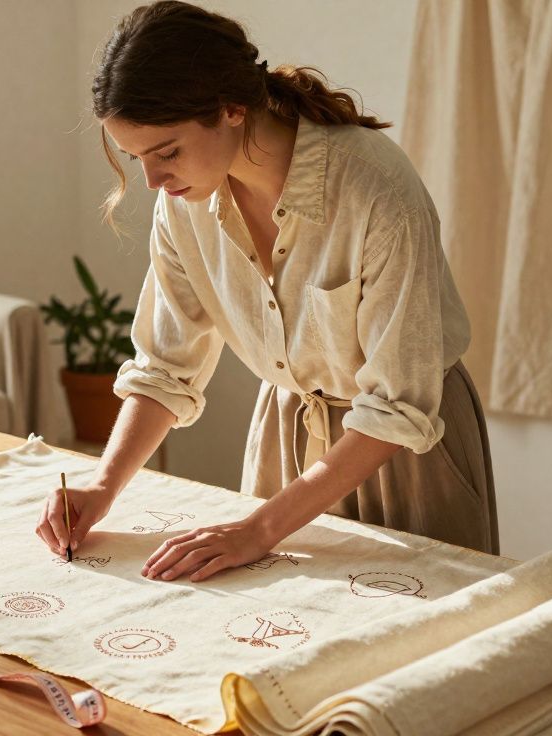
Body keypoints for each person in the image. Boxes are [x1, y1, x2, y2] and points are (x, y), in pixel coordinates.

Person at [35, 0, 497, 582]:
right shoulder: (184, 204)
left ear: (231, 109)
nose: (151, 180)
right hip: (286, 436)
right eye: (135, 158)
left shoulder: (374, 189)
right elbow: (164, 369)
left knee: (428, 651)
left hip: (408, 453)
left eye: (166, 152)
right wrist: (102, 486)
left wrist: (258, 529)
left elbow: (397, 407)